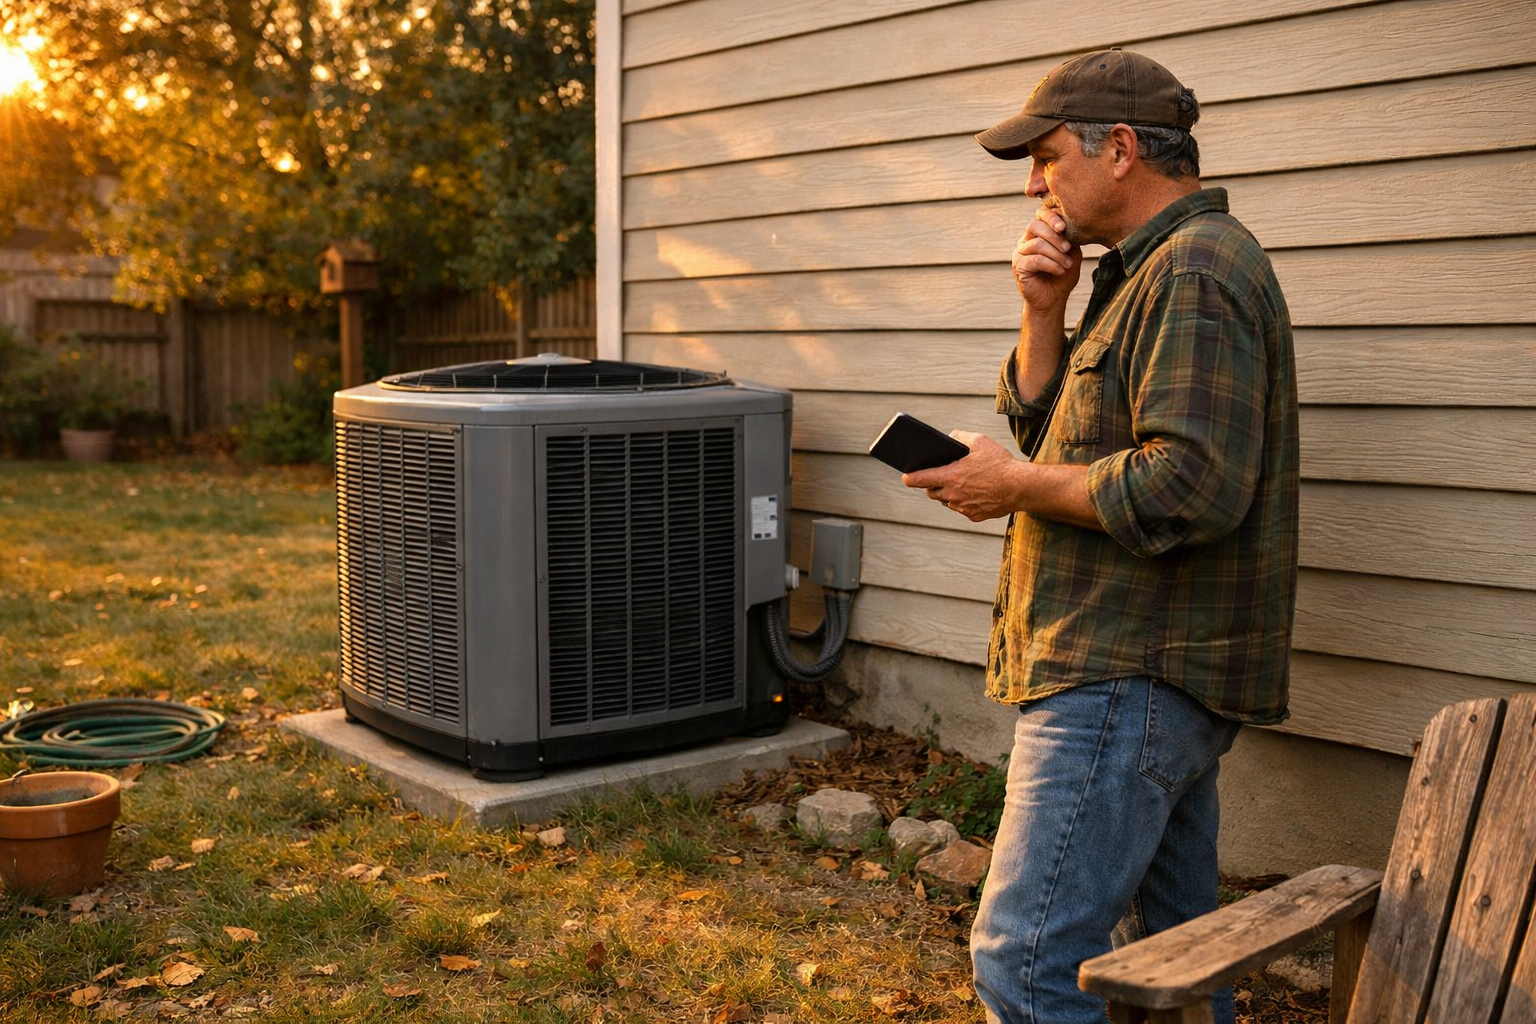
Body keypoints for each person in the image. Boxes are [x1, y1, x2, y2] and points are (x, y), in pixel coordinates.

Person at [900, 49, 1299, 1024]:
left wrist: (1014, 482)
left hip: (1130, 668)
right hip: (1142, 667)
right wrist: (1045, 315)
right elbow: (1065, 443)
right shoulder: (1142, 274)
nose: (1034, 184)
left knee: (1025, 962)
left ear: (1119, 148)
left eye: (1044, 158)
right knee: (1170, 962)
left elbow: (1193, 483)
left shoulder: (1196, 272)